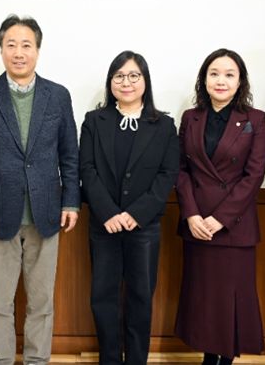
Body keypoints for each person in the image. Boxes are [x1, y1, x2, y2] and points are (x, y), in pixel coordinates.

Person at [0, 15, 80, 365]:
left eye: (26, 45)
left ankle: (37, 361)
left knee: (42, 301)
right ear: (1, 50)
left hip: (47, 211)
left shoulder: (58, 95)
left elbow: (69, 154)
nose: (18, 52)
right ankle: (0, 361)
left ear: (38, 50)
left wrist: (71, 201)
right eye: (10, 44)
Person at [79, 50, 178, 365]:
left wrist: (136, 214)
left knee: (140, 297)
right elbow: (87, 169)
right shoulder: (94, 121)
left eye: (134, 75)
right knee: (103, 297)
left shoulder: (164, 125)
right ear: (110, 82)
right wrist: (108, 212)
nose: (126, 82)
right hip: (103, 225)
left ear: (145, 81)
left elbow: (167, 175)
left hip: (144, 227)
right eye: (119, 76)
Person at [174, 48, 265, 364]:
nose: (221, 80)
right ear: (204, 79)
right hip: (197, 225)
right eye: (214, 73)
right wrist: (191, 214)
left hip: (233, 227)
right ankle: (207, 359)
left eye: (229, 74)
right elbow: (180, 170)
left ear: (240, 81)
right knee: (203, 300)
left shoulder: (255, 119)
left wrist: (220, 219)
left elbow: (254, 175)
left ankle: (225, 360)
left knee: (231, 300)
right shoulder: (191, 117)